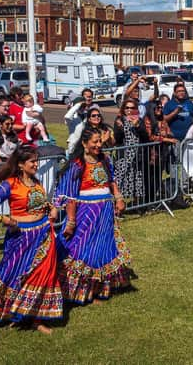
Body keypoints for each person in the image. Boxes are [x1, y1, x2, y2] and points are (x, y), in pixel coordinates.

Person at [0, 146, 62, 333]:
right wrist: (5, 219)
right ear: (21, 164)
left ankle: (37, 318)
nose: (36, 164)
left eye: (36, 160)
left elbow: (41, 203)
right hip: (21, 237)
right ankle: (13, 312)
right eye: (32, 161)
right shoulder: (9, 185)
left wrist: (51, 208)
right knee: (15, 274)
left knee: (42, 274)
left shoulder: (36, 182)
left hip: (44, 234)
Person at [54, 128, 134, 304]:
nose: (99, 145)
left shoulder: (105, 159)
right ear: (84, 143)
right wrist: (71, 221)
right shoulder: (77, 164)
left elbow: (111, 181)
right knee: (81, 249)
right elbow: (69, 195)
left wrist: (119, 198)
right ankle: (76, 290)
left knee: (102, 248)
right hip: (85, 214)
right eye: (95, 142)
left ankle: (98, 288)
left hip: (104, 214)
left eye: (100, 141)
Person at [114, 99, 149, 206]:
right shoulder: (119, 120)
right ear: (123, 109)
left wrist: (137, 126)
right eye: (127, 108)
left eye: (132, 108)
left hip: (136, 156)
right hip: (123, 156)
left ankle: (137, 205)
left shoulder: (139, 120)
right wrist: (119, 128)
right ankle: (119, 206)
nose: (129, 110)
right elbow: (117, 139)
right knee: (121, 181)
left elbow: (145, 137)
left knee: (137, 181)